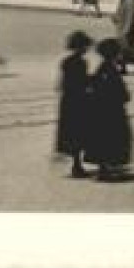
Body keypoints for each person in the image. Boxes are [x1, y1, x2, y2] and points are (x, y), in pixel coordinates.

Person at [85, 37, 133, 181]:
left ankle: (103, 167)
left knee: (102, 138)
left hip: (100, 110)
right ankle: (107, 167)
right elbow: (121, 93)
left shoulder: (101, 68)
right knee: (114, 137)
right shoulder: (112, 70)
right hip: (113, 111)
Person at [55, 31, 95, 179]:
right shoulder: (82, 63)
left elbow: (62, 83)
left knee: (71, 134)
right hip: (79, 102)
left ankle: (76, 163)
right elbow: (83, 82)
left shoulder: (65, 62)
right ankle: (77, 166)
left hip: (67, 102)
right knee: (80, 133)